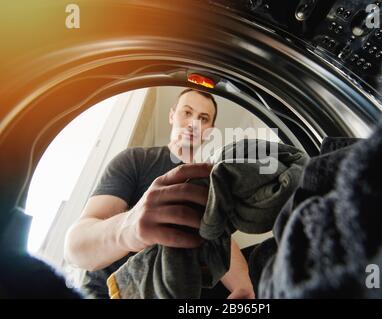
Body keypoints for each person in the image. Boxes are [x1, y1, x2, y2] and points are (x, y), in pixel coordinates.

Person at [64, 89, 255, 299]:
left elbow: (221, 240)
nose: (193, 123)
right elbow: (75, 249)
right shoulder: (135, 160)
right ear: (172, 115)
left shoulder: (212, 184)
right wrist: (129, 228)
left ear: (210, 130)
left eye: (203, 118)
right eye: (187, 112)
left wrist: (245, 286)